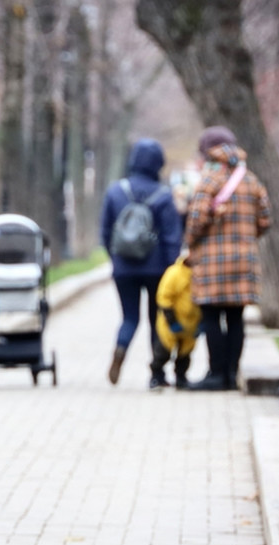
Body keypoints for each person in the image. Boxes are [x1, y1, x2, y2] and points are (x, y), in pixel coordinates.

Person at [185, 125, 271, 391]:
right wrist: (246, 237)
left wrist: (190, 243)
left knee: (211, 317)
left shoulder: (209, 178)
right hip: (244, 261)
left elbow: (196, 220)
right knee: (235, 318)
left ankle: (216, 374)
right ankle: (233, 375)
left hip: (212, 262)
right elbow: (266, 220)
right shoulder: (251, 179)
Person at [99, 138, 184, 389]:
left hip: (124, 267)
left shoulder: (116, 191)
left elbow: (105, 231)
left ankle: (120, 349)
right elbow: (172, 238)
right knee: (157, 319)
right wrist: (171, 269)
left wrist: (115, 258)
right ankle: (157, 374)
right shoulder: (164, 195)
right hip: (157, 268)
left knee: (129, 318)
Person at [154, 253, 202, 389]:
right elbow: (164, 297)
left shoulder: (201, 274)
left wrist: (202, 322)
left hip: (191, 324)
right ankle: (156, 375)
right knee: (162, 351)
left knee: (185, 354)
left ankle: (181, 377)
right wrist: (171, 320)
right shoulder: (174, 273)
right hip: (170, 323)